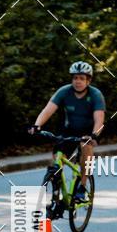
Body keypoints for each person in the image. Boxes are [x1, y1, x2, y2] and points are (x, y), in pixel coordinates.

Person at [29, 61, 105, 198]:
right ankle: (57, 192)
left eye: (82, 78)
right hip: (67, 131)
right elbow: (48, 109)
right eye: (75, 78)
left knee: (86, 147)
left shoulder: (95, 95)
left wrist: (94, 135)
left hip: (87, 133)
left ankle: (82, 186)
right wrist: (37, 125)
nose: (78, 81)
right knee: (55, 162)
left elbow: (99, 118)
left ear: (88, 80)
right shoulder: (64, 91)